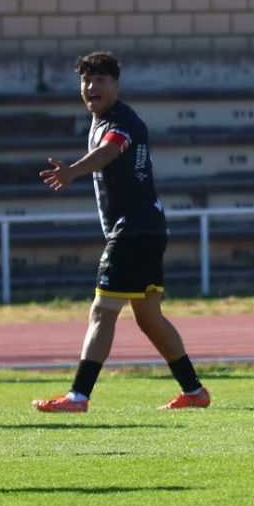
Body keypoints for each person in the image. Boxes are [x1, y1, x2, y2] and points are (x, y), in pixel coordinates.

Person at [32, 51, 209, 413]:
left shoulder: (122, 120)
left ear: (116, 85)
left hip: (132, 230)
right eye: (86, 80)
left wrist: (71, 171)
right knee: (148, 316)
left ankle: (78, 396)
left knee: (102, 311)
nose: (91, 86)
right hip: (147, 227)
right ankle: (194, 391)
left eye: (99, 79)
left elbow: (109, 152)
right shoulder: (103, 120)